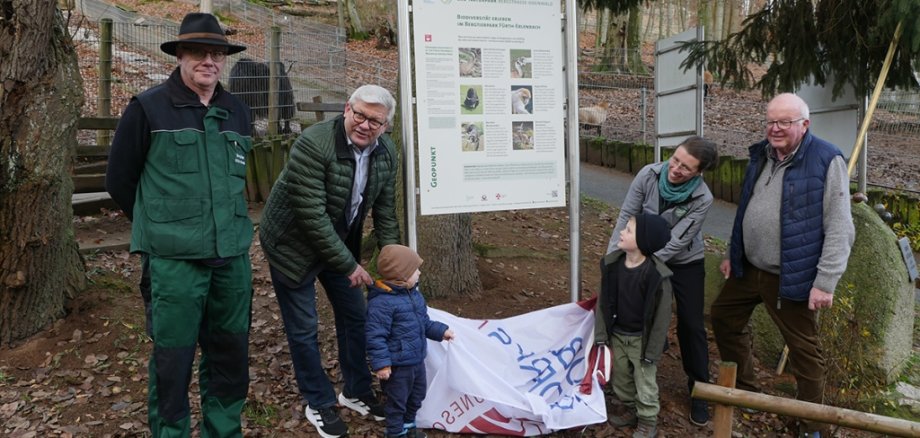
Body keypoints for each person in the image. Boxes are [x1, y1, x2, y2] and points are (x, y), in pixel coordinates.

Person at [104, 12, 253, 437]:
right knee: (173, 360)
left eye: (217, 53)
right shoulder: (147, 108)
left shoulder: (236, 111)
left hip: (232, 261)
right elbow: (119, 180)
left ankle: (222, 430)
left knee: (230, 356)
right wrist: (163, 226)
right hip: (174, 265)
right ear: (180, 55)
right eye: (198, 52)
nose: (209, 60)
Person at [258, 84, 400, 438]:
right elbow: (311, 217)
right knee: (304, 327)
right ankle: (318, 401)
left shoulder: (387, 153)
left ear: (386, 127)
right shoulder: (313, 143)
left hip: (338, 242)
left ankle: (355, 391)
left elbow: (385, 213)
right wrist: (350, 266)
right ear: (347, 110)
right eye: (360, 115)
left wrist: (398, 266)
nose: (366, 125)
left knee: (356, 316)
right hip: (292, 245)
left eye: (376, 121)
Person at [711, 93, 855, 438]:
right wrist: (734, 252)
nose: (775, 129)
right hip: (750, 269)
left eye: (784, 122)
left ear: (804, 125)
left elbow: (840, 226)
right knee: (723, 318)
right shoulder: (760, 153)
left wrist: (826, 281)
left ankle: (812, 426)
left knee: (806, 352)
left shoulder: (825, 159)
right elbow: (746, 207)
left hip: (793, 276)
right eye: (771, 121)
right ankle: (747, 391)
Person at [605, 135, 720, 426]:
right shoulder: (649, 174)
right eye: (676, 159)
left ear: (699, 172)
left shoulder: (702, 198)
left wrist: (643, 265)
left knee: (691, 324)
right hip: (640, 253)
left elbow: (678, 241)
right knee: (632, 310)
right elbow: (627, 216)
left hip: (683, 261)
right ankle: (627, 380)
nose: (676, 168)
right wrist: (613, 260)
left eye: (686, 167)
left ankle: (699, 389)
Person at [595, 213, 673, 438]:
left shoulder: (657, 276)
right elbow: (603, 303)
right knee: (620, 376)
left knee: (644, 380)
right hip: (618, 334)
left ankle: (648, 419)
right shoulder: (613, 266)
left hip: (642, 339)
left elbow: (661, 318)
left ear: (644, 241)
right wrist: (601, 335)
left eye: (628, 230)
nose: (621, 231)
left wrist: (653, 352)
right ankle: (630, 409)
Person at [365, 245, 455, 438]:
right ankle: (396, 433)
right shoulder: (381, 303)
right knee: (397, 402)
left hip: (416, 360)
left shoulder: (413, 294)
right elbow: (375, 336)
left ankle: (409, 426)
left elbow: (423, 322)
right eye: (415, 270)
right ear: (402, 275)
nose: (419, 272)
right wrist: (382, 364)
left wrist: (441, 331)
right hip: (397, 366)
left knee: (416, 396)